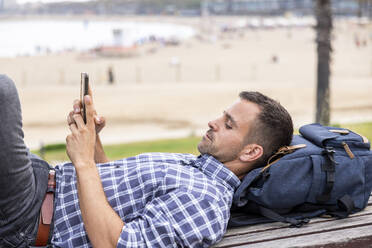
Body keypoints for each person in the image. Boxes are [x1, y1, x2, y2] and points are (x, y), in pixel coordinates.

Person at [0, 74, 293, 247]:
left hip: (32, 215)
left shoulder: (206, 200)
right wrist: (93, 140)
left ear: (250, 152)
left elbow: (116, 244)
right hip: (39, 183)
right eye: (222, 115)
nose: (213, 122)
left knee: (4, 92)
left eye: (228, 124)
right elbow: (110, 196)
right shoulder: (197, 166)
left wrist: (83, 163)